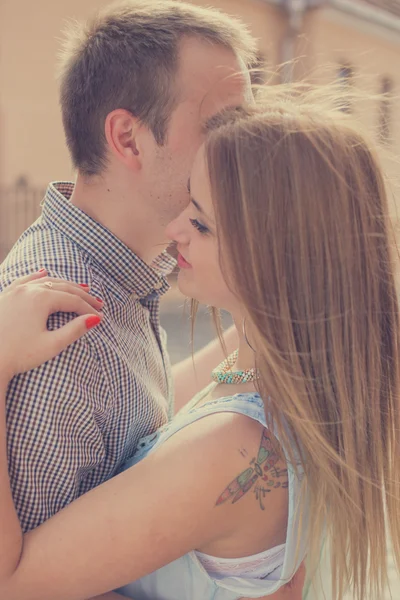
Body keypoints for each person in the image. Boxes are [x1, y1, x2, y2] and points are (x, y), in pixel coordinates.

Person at [0, 88, 399, 600]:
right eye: (189, 200)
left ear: (275, 259)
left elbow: (11, 585)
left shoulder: (230, 449)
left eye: (202, 222)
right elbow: (176, 391)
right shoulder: (277, 366)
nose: (175, 229)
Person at [0, 0, 256, 533]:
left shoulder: (125, 275)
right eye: (225, 126)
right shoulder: (58, 328)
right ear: (127, 139)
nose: (245, 150)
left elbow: (151, 413)